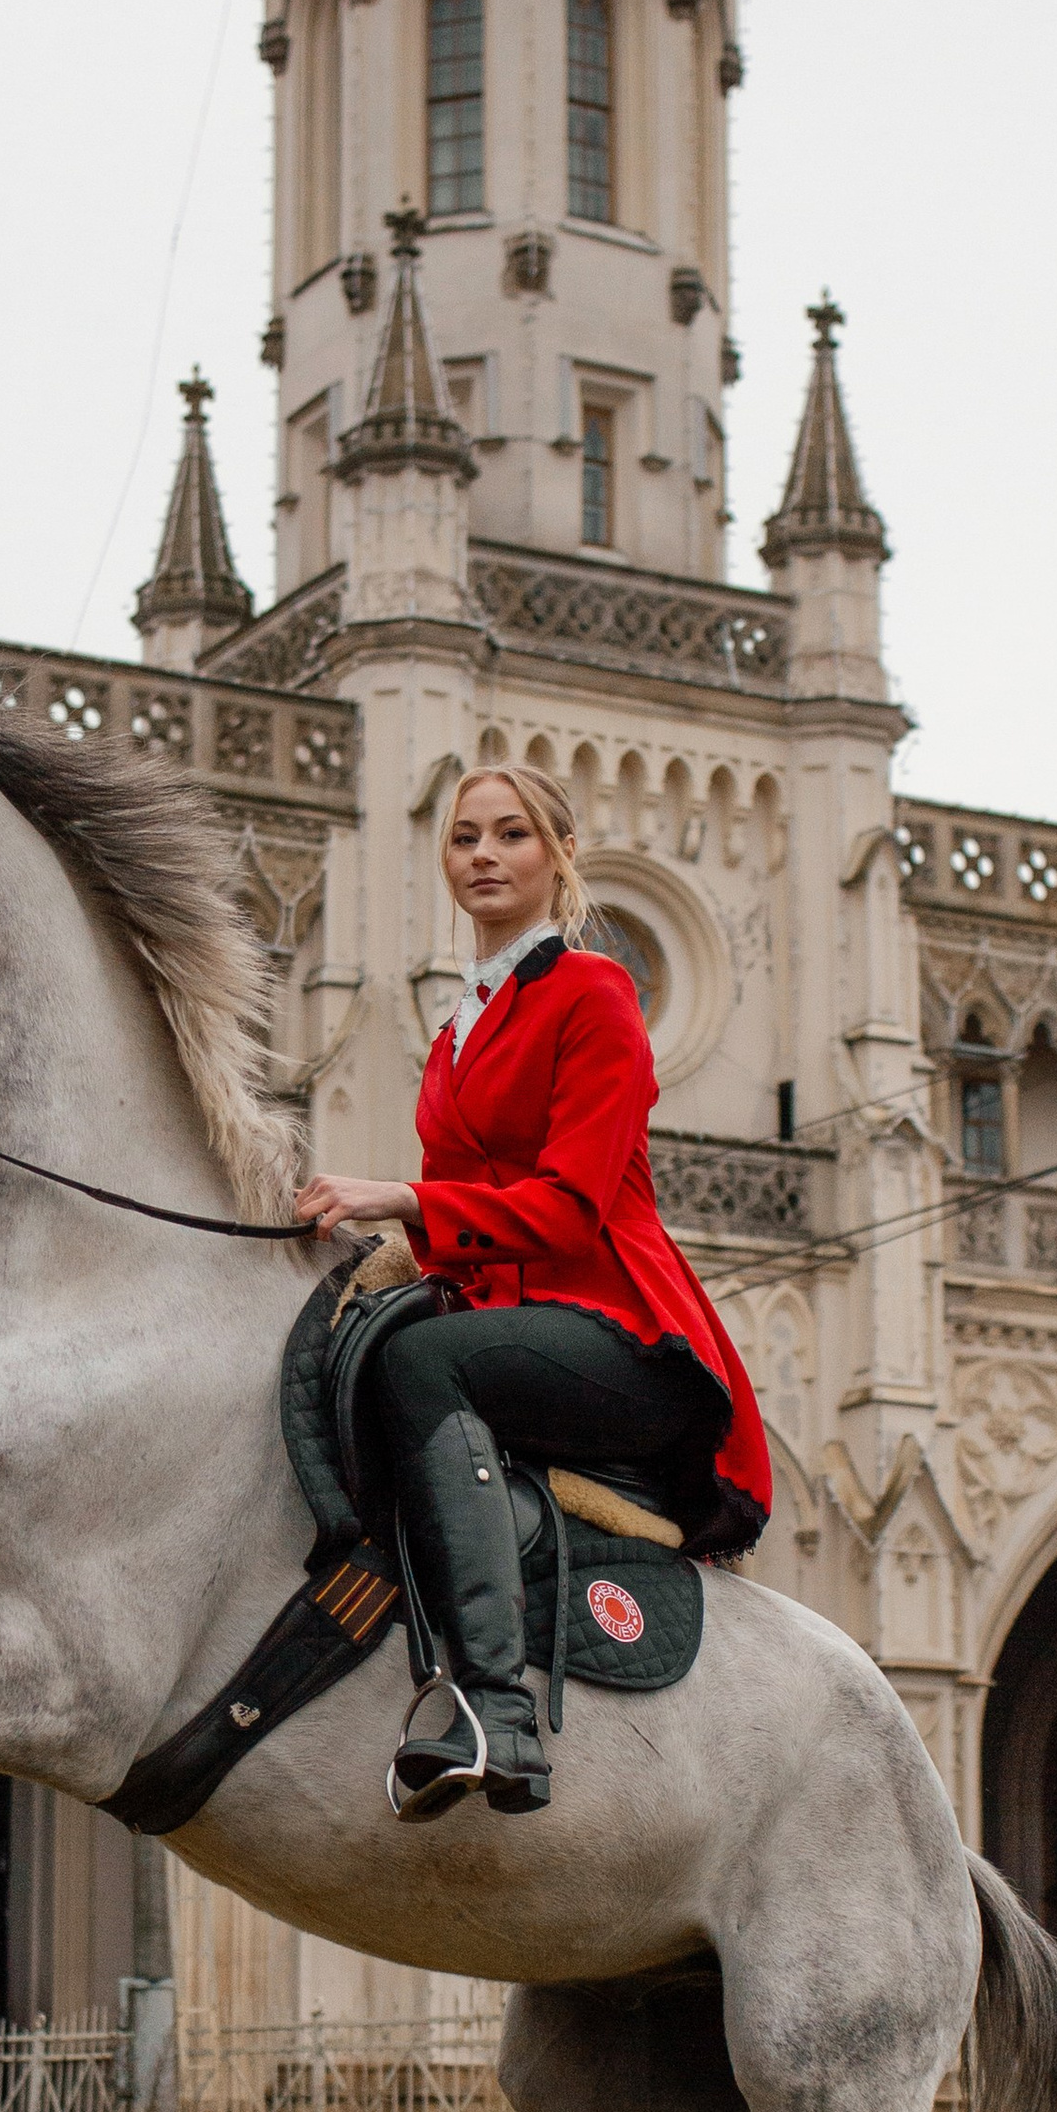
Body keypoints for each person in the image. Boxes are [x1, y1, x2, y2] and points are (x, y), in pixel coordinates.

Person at [294, 764, 771, 1815]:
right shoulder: (457, 1028)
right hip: (515, 1324)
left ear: (555, 854)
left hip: (625, 1337)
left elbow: (566, 1209)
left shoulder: (593, 992)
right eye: (465, 837)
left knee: (419, 1360)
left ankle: (497, 1710)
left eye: (510, 835)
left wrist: (403, 1200)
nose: (483, 855)